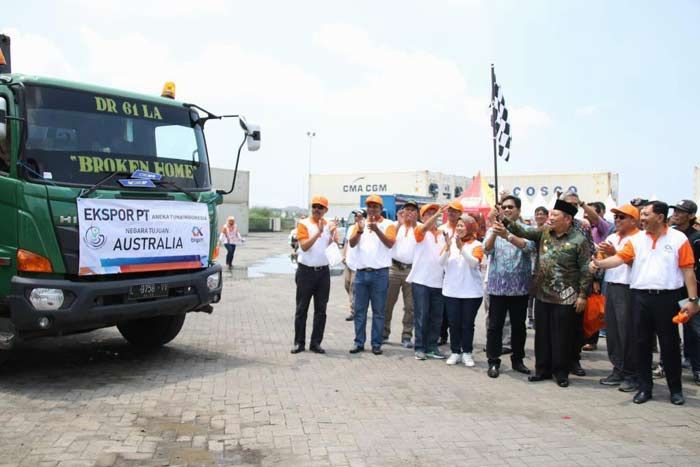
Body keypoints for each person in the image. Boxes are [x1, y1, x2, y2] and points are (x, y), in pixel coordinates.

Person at [593, 201, 699, 405]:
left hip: (668, 298)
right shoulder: (637, 239)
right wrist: (599, 263)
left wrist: (693, 301)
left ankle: (675, 390)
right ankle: (644, 388)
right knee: (640, 344)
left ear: (659, 216)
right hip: (639, 297)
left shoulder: (679, 239)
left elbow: (688, 270)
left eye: (646, 214)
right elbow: (619, 259)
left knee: (669, 346)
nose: (642, 218)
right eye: (641, 215)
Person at [500, 199, 592, 388]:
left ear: (567, 219)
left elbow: (585, 269)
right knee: (542, 335)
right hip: (542, 293)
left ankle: (561, 373)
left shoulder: (578, 240)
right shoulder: (544, 233)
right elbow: (523, 231)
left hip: (566, 297)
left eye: (554, 215)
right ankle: (542, 370)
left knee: (562, 337)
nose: (550, 218)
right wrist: (505, 220)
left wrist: (583, 295)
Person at [484, 195, 535, 378]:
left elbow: (528, 247)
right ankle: (493, 361)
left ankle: (518, 359)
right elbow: (486, 250)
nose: (507, 210)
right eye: (504, 207)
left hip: (519, 288)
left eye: (511, 207)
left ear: (518, 210)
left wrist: (508, 235)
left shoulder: (528, 230)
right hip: (498, 288)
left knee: (518, 327)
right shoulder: (494, 229)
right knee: (495, 326)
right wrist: (495, 234)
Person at [592, 204, 640, 392]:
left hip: (629, 288)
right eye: (616, 217)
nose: (617, 220)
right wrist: (596, 262)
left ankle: (632, 373)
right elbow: (601, 257)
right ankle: (618, 369)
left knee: (627, 332)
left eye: (622, 217)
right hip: (610, 286)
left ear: (633, 220)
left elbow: (639, 264)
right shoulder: (612, 237)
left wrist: (614, 254)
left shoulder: (639, 238)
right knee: (612, 331)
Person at [349, 194, 397, 355]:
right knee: (359, 311)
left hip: (380, 274)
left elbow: (390, 244)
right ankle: (359, 342)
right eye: (369, 206)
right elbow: (351, 243)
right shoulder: (360, 224)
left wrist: (377, 230)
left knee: (378, 311)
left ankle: (376, 344)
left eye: (375, 206)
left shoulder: (389, 224)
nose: (372, 209)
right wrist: (360, 230)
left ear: (381, 209)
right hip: (361, 274)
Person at [291, 196, 337, 355]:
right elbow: (304, 247)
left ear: (326, 210)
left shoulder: (328, 225)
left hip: (323, 272)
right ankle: (299, 342)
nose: (317, 209)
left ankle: (316, 343)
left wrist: (331, 235)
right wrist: (317, 233)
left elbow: (332, 247)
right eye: (315, 206)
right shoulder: (303, 224)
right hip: (306, 272)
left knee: (321, 310)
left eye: (321, 207)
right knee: (302, 308)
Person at [441, 214, 484, 367]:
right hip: (452, 291)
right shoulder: (450, 243)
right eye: (457, 225)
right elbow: (441, 262)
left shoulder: (477, 245)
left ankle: (467, 352)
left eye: (462, 225)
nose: (459, 228)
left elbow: (474, 263)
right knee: (454, 323)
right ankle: (455, 352)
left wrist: (461, 248)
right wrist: (448, 247)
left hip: (471, 292)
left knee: (467, 324)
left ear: (470, 227)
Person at [408, 203, 448, 360]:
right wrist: (437, 215)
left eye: (435, 212)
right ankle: (420, 347)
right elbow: (423, 229)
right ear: (422, 217)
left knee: (436, 317)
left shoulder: (443, 234)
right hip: (421, 281)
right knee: (421, 315)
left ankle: (432, 347)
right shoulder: (419, 231)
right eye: (429, 213)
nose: (433, 215)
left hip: (438, 281)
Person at [669, 200, 700, 385]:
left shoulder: (696, 237)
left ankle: (696, 367)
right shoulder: (668, 234)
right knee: (667, 329)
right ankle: (666, 365)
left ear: (690, 215)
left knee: (694, 330)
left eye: (682, 211)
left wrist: (694, 295)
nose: (677, 214)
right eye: (676, 210)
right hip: (670, 289)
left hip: (689, 290)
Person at [384, 201, 419, 347]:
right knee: (388, 303)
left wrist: (414, 222)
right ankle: (384, 333)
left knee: (410, 306)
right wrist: (399, 222)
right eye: (407, 210)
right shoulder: (394, 225)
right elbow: (389, 242)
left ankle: (406, 336)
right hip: (394, 268)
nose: (409, 213)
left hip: (411, 270)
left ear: (417, 213)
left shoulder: (420, 227)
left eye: (412, 210)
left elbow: (420, 238)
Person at [437, 200, 463, 345]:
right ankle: (442, 334)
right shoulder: (441, 229)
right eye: (450, 211)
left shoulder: (463, 229)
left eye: (455, 211)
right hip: (444, 270)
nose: (451, 213)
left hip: (458, 271)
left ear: (460, 213)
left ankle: (456, 335)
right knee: (443, 305)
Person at [343, 209, 366, 322]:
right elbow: (347, 242)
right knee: (347, 285)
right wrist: (344, 255)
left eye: (359, 216)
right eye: (356, 216)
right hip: (349, 262)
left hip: (358, 264)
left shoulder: (366, 228)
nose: (357, 218)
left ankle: (354, 311)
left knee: (353, 288)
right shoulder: (352, 228)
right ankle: (358, 304)